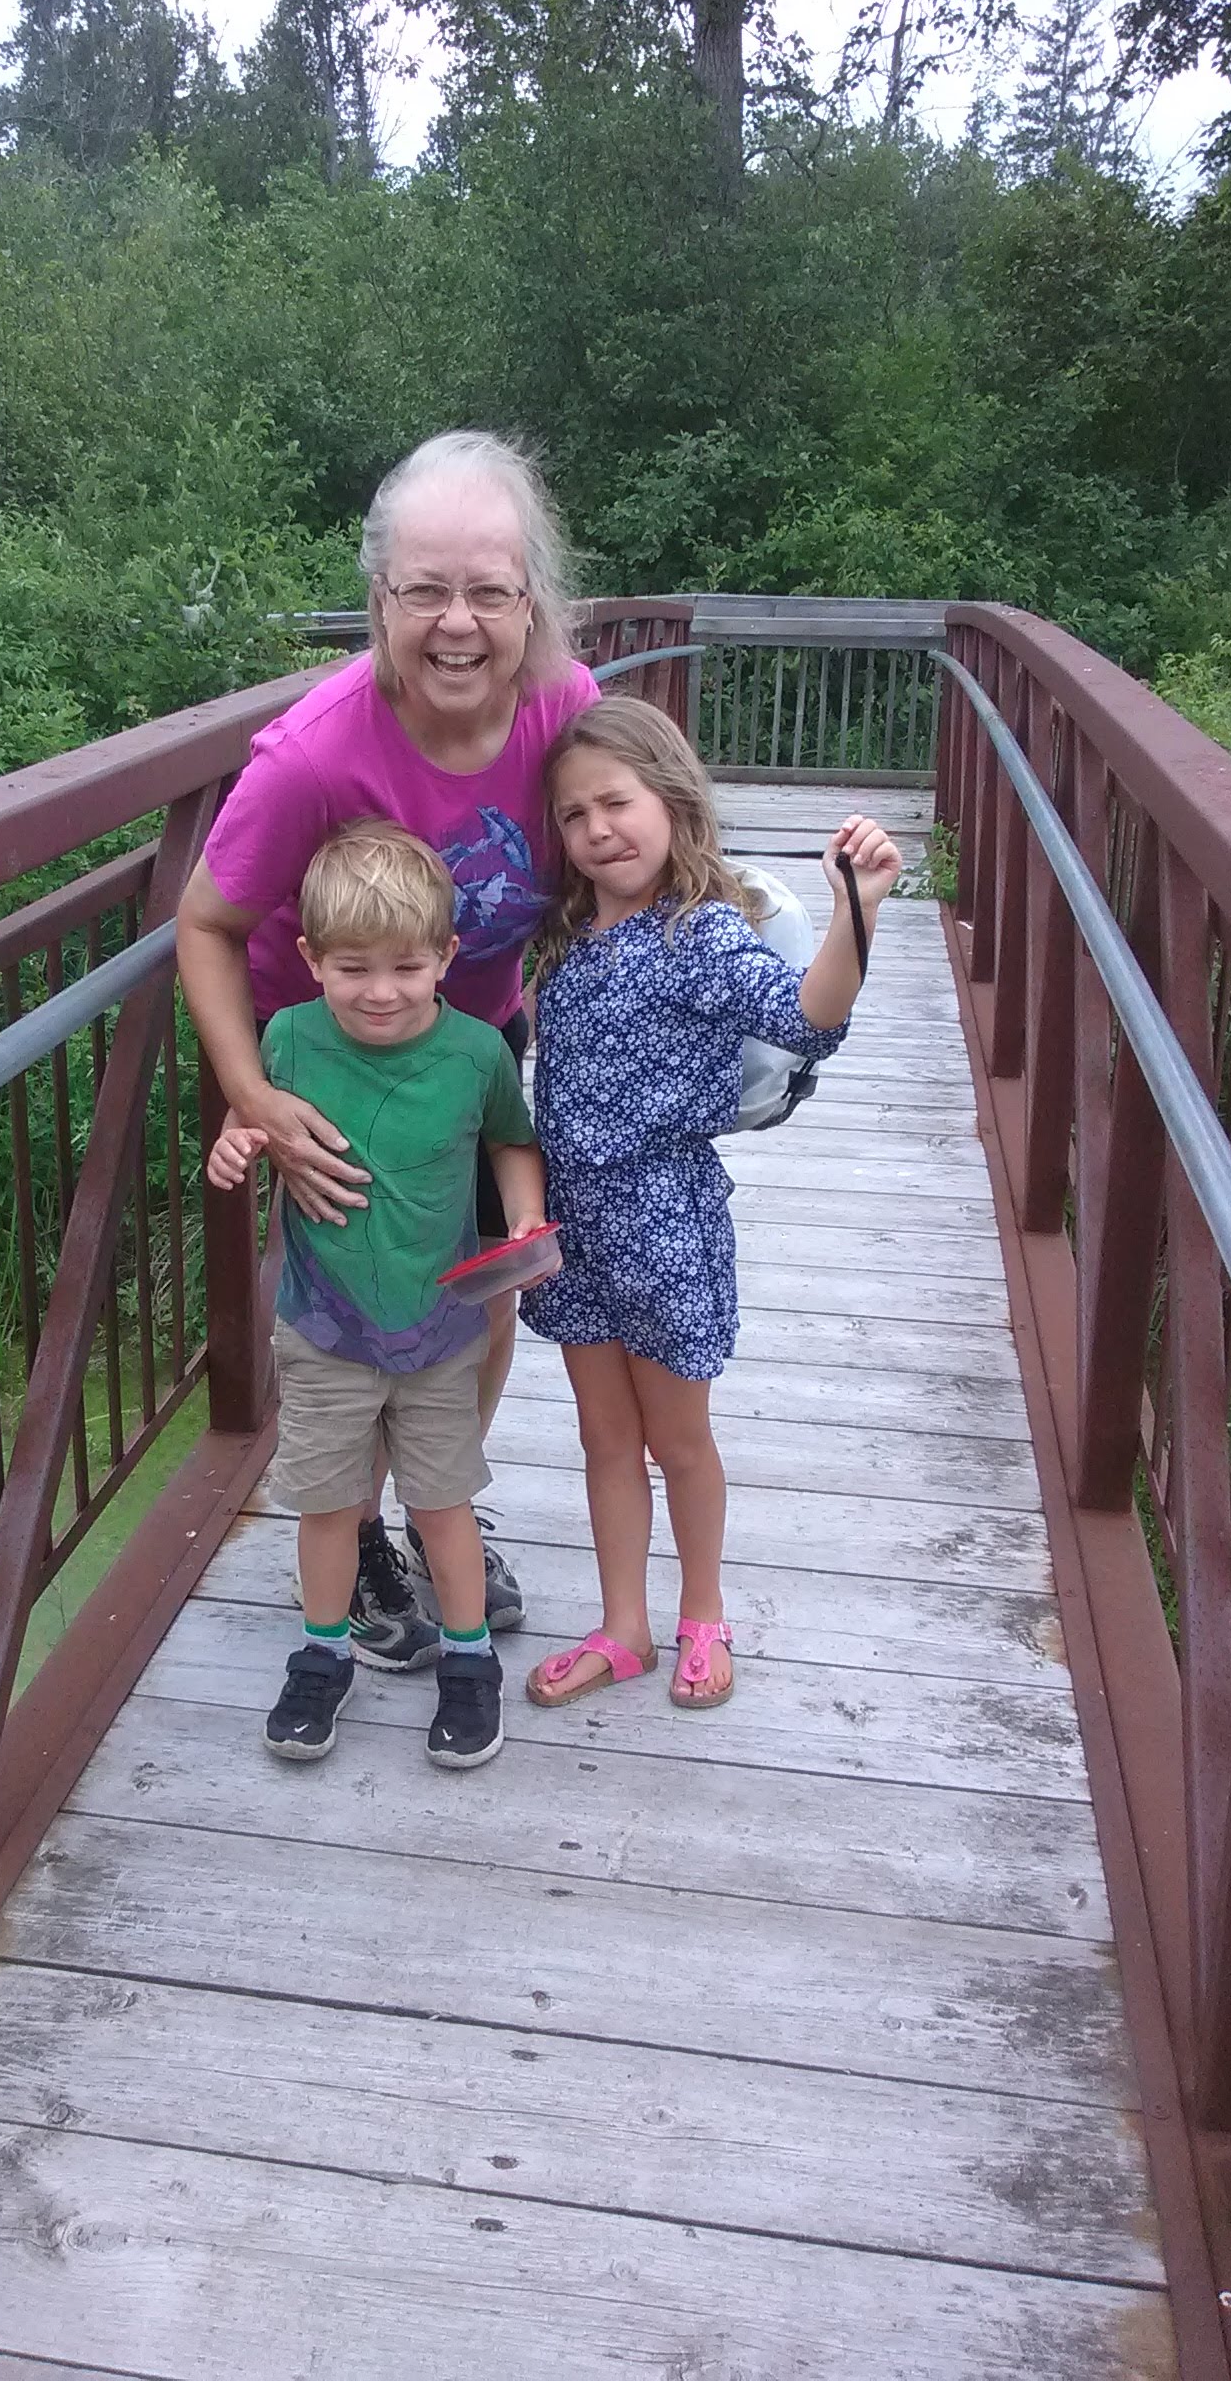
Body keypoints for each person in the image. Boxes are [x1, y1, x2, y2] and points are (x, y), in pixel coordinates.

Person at [177, 430, 599, 1664]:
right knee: (358, 1300)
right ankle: (356, 1534)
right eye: (426, 590)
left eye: (489, 591)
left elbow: (629, 850)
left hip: (476, 1045)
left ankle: (436, 1506)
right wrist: (255, 1094)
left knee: (482, 1283)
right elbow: (204, 923)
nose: (458, 624)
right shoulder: (317, 752)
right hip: (334, 1064)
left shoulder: (568, 711)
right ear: (379, 600)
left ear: (532, 602)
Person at [518, 698, 902, 1710]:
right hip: (573, 1225)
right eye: (573, 815)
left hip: (664, 1224)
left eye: (617, 802)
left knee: (676, 1440)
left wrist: (857, 908)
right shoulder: (560, 936)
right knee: (605, 1438)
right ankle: (623, 1628)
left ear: (673, 801)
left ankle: (702, 1614)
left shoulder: (702, 932)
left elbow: (806, 1018)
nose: (598, 829)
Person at [205, 821, 548, 1769]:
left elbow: (510, 1139)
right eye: (353, 969)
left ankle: (469, 1664)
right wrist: (238, 1141)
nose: (381, 991)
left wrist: (525, 1217)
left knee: (443, 1504)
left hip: (440, 1332)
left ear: (447, 956)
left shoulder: (476, 1053)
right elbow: (250, 1113)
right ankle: (323, 1655)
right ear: (311, 959)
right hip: (323, 1330)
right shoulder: (287, 1037)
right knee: (328, 1504)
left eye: (406, 967)